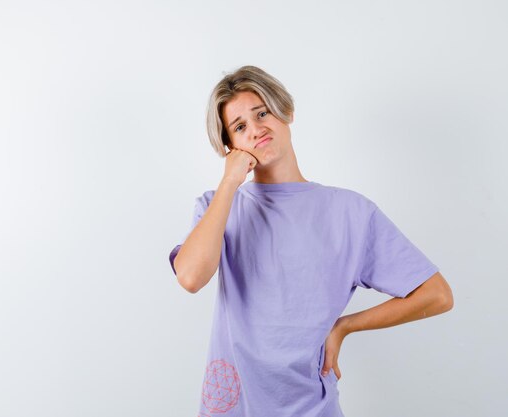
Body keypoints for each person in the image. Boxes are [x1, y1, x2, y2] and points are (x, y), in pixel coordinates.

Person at [169, 65, 454, 417]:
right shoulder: (216, 208)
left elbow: (436, 294)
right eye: (240, 127)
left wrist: (345, 326)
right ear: (230, 146)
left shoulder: (350, 212)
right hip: (235, 407)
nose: (256, 129)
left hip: (312, 407)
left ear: (285, 111)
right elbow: (191, 277)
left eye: (263, 113)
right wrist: (230, 182)